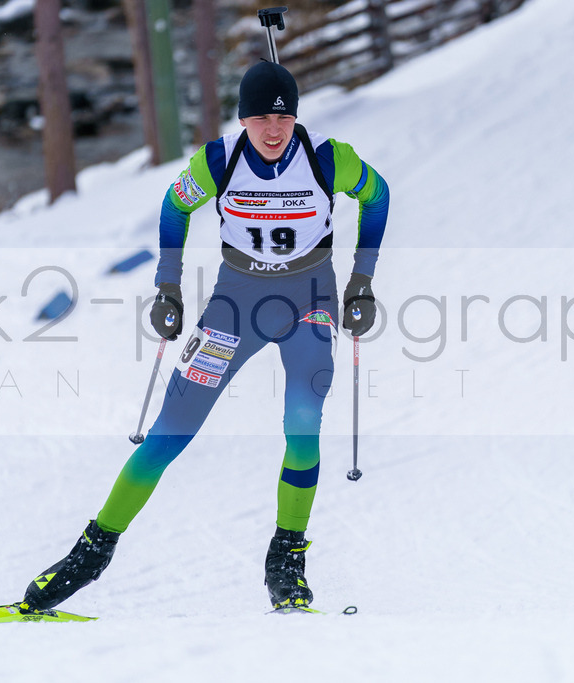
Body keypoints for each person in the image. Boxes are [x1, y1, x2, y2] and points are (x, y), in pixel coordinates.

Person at [20, 61, 389, 612]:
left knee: (303, 424)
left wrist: (361, 281)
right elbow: (174, 207)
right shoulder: (219, 162)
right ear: (243, 120)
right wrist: (167, 288)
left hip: (309, 302)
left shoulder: (328, 160)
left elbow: (377, 197)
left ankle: (287, 560)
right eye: (261, 118)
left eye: (283, 118)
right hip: (235, 304)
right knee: (171, 429)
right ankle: (91, 552)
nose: (272, 130)